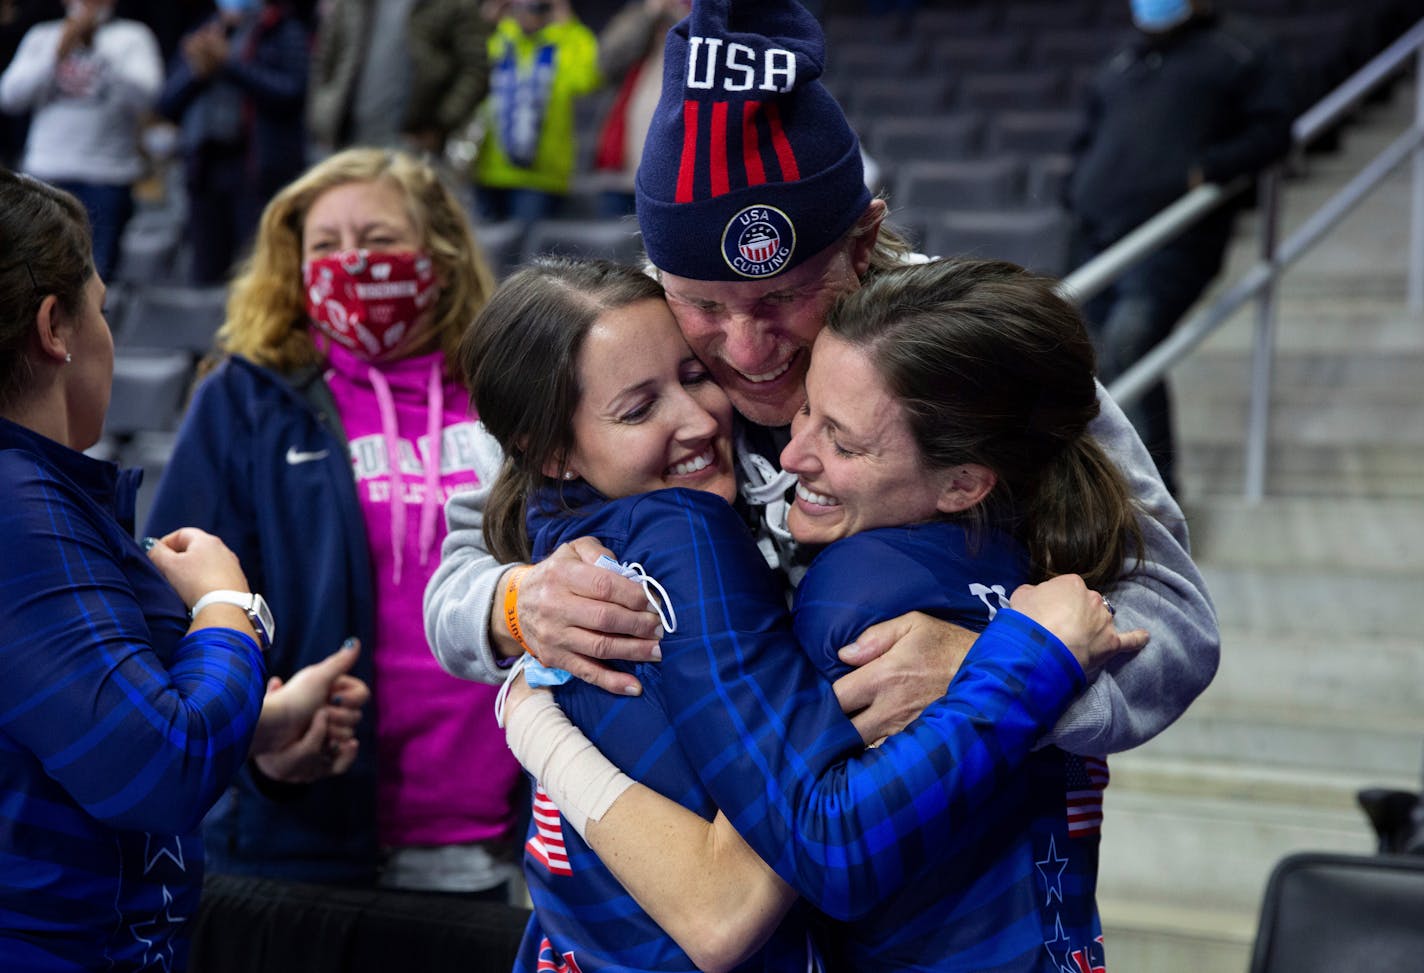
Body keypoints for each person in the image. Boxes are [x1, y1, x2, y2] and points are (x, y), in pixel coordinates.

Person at [425, 0, 1219, 763]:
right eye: (702, 304)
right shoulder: (630, 337)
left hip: (957, 871)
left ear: (863, 242)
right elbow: (455, 579)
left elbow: (1178, 626)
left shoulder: (957, 345)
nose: (745, 346)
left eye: (785, 296)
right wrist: (516, 608)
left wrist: (1004, 676)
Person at [460, 255, 1142, 971]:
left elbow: (794, 867)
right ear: (551, 450)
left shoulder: (851, 589)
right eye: (805, 409)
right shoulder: (1050, 554)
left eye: (840, 438)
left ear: (965, 482)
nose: (788, 453)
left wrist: (529, 719)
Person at [0, 169, 367, 970]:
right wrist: (228, 604)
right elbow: (160, 765)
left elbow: (77, 724)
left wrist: (258, 724)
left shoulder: (40, 493)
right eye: (101, 308)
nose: (110, 334)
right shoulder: (13, 500)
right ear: (55, 326)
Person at [145, 148, 525, 897]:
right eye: (326, 246)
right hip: (303, 833)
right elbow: (174, 610)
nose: (353, 261)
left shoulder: (510, 389)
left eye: (379, 238)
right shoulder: (244, 398)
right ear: (296, 266)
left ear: (439, 253)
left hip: (502, 840)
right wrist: (261, 747)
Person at [1067, 0, 1293, 496]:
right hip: (1097, 238)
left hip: (1174, 241)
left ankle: (1155, 501)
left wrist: (1204, 171)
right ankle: (1101, 498)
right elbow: (1084, 141)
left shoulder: (1238, 49)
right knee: (1076, 360)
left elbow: (1274, 131)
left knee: (1129, 346)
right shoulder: (1121, 59)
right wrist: (1077, 190)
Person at [0, 0, 162, 281]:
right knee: (35, 277)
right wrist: (56, 53)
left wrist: (98, 49)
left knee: (95, 281)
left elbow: (148, 98)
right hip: (44, 173)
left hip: (107, 176)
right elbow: (10, 97)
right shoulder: (43, 35)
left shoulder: (132, 37)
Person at [157, 0, 309, 285]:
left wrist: (229, 65)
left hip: (256, 170)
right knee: (205, 272)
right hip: (204, 169)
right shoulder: (204, 32)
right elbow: (166, 103)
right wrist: (197, 73)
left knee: (258, 272)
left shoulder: (280, 29)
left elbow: (291, 94)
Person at [306, 0, 491, 158]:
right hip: (346, 140)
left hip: (411, 145)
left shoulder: (453, 4)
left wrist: (441, 123)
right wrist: (322, 114)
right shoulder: (350, 3)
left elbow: (477, 67)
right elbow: (326, 58)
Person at [471, 0, 601, 223]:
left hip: (541, 176)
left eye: (539, 6)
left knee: (525, 254)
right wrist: (489, 17)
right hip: (490, 170)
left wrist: (567, 23)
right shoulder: (501, 37)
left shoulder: (563, 41)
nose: (529, 13)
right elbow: (469, 61)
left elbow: (587, 78)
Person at [588, 0, 688, 217]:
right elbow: (607, 58)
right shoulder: (640, 20)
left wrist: (682, 15)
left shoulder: (707, 15)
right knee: (609, 247)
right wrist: (649, 13)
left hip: (672, 181)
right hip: (620, 176)